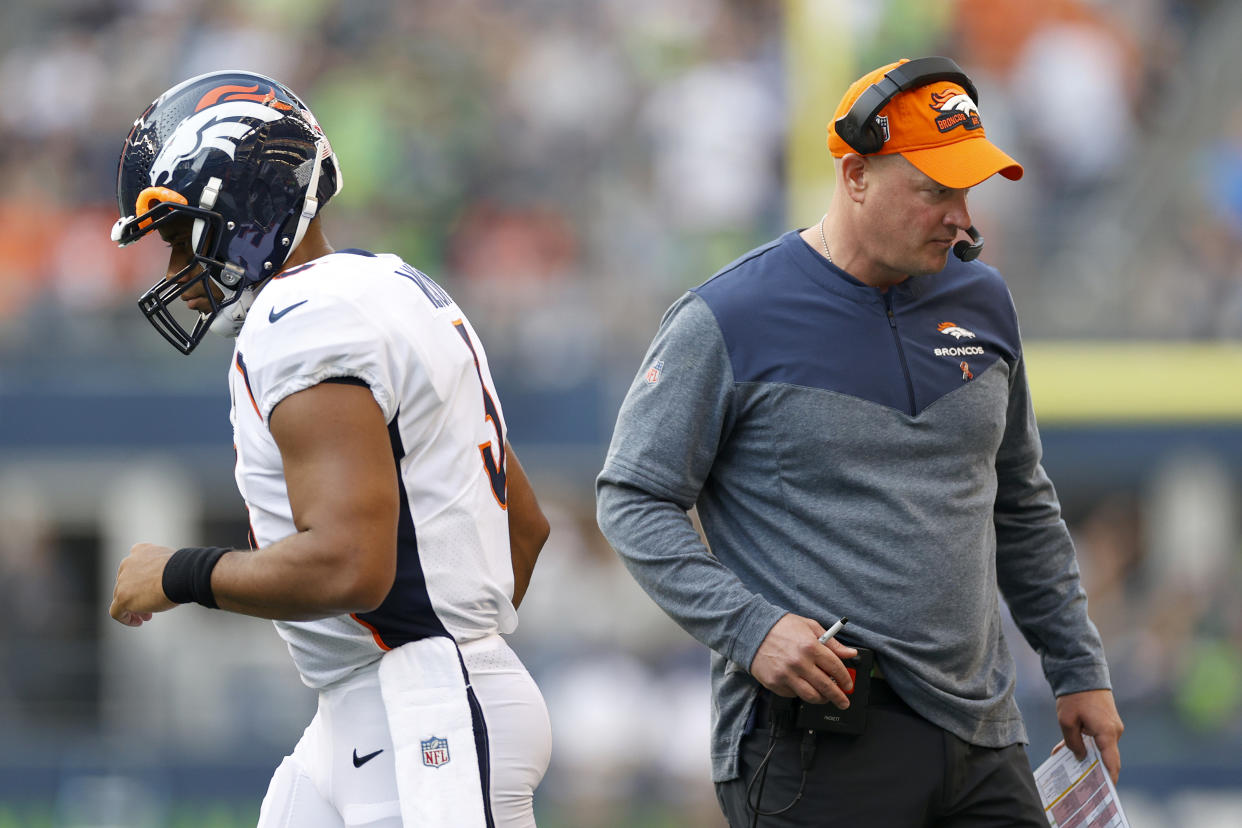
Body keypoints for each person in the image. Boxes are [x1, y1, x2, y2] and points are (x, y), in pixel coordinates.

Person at [595, 57, 1124, 827]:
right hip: (817, 744)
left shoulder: (985, 300)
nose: (961, 217)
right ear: (854, 175)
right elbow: (633, 496)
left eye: (967, 191)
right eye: (935, 190)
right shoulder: (730, 315)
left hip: (985, 736)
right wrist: (752, 627)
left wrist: (1079, 667)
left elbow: (1021, 502)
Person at [107, 70, 552, 828]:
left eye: (181, 234)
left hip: (418, 713)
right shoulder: (395, 287)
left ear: (247, 207)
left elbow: (351, 564)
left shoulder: (303, 317)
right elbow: (525, 527)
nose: (175, 271)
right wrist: (451, 637)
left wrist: (178, 573)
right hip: (383, 703)